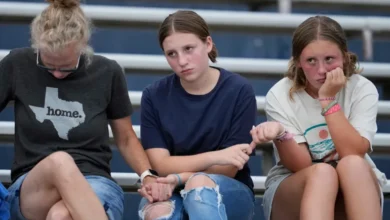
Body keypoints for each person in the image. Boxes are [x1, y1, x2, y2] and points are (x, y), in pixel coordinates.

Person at [2, 0, 170, 219]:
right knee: (60, 161)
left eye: (66, 66)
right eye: (48, 65)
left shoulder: (107, 71)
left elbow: (126, 138)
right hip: (34, 187)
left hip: (94, 181)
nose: (57, 74)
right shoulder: (17, 64)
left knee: (61, 215)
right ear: (37, 47)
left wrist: (148, 176)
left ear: (83, 47)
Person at [250, 15, 387, 220]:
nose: (321, 70)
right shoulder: (279, 94)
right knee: (323, 173)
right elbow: (301, 165)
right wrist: (281, 133)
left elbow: (353, 152)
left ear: (345, 57)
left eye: (329, 59)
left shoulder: (362, 88)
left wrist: (328, 100)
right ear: (298, 63)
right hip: (295, 183)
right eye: (311, 61)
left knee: (353, 165)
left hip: (353, 182)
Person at [137, 10, 257, 220]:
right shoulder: (153, 96)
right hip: (169, 186)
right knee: (157, 213)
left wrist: (180, 176)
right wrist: (216, 156)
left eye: (188, 49)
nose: (181, 60)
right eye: (171, 54)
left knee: (199, 189)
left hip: (228, 190)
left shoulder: (239, 91)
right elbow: (161, 165)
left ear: (208, 44)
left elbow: (228, 168)